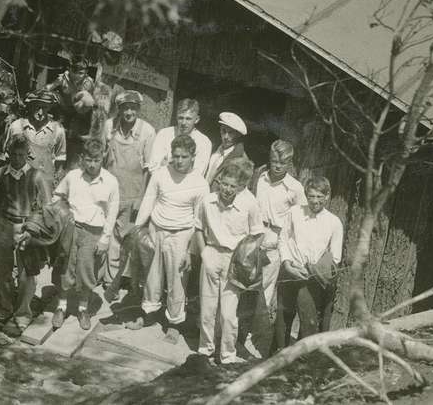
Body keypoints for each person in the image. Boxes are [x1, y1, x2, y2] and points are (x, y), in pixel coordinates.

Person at [129, 134, 210, 342]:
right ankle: (147, 314)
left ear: (193, 156)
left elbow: (199, 221)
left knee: (177, 281)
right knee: (151, 277)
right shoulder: (160, 174)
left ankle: (175, 323)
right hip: (157, 229)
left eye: (184, 156)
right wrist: (138, 229)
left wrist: (190, 251)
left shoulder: (200, 183)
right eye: (176, 156)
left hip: (181, 235)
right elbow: (148, 201)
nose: (179, 161)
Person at [191, 156, 264, 365]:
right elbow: (198, 228)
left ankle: (227, 355)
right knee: (207, 309)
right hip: (212, 253)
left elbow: (258, 234)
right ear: (219, 181)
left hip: (235, 259)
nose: (227, 189)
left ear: (240, 186)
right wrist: (204, 252)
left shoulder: (249, 203)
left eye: (233, 186)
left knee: (228, 314)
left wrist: (245, 259)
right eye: (224, 184)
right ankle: (205, 350)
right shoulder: (208, 201)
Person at [0, 135, 52, 336]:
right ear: (8, 154)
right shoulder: (1, 174)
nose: (16, 159)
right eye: (13, 154)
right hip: (4, 224)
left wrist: (36, 230)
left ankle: (23, 313)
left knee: (27, 273)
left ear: (27, 155)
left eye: (21, 155)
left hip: (26, 227)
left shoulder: (37, 176)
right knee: (2, 269)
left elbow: (46, 208)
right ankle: (4, 308)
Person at [51, 138, 119, 331]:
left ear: (102, 158)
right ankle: (61, 307)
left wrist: (105, 238)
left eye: (96, 160)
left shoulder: (111, 182)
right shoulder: (73, 176)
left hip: (94, 232)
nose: (91, 164)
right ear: (82, 158)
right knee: (67, 267)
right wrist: (64, 214)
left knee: (87, 271)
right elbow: (57, 196)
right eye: (88, 160)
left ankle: (83, 309)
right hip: (72, 228)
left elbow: (112, 213)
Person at [98, 89, 156, 300]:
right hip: (110, 190)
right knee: (107, 233)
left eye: (133, 108)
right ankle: (106, 280)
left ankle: (122, 281)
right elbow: (101, 157)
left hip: (133, 192)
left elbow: (150, 169)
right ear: (119, 109)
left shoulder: (148, 132)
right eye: (124, 108)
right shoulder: (109, 126)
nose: (129, 112)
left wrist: (143, 200)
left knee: (125, 237)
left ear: (138, 109)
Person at [276, 176, 343, 348]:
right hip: (290, 270)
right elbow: (283, 239)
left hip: (311, 276)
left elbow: (335, 257)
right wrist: (286, 263)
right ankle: (278, 357)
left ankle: (303, 363)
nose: (315, 201)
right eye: (311, 196)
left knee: (309, 322)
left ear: (327, 196)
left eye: (319, 197)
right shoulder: (295, 212)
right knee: (284, 317)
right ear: (306, 195)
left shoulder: (334, 222)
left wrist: (316, 270)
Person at [252, 140, 306, 352]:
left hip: (274, 239)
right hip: (254, 234)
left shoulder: (295, 188)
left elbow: (299, 222)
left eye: (282, 162)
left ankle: (256, 336)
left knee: (264, 292)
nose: (277, 166)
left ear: (290, 163)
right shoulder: (261, 177)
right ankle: (237, 331)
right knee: (245, 284)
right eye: (274, 161)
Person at [5, 90, 67, 186]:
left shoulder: (58, 130)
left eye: (45, 107)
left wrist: (55, 181)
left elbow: (60, 159)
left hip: (43, 184)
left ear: (50, 107)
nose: (40, 112)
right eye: (37, 107)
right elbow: (7, 154)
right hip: (17, 183)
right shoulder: (17, 126)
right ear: (30, 106)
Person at [46, 55, 97, 167]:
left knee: (74, 138)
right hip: (64, 109)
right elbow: (48, 88)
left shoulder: (88, 83)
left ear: (86, 72)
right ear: (69, 69)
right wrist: (53, 87)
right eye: (74, 71)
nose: (77, 75)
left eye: (81, 72)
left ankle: (70, 160)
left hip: (80, 114)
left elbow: (85, 102)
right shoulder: (63, 78)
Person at [149, 99, 213, 175]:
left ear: (196, 119)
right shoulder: (164, 134)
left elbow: (197, 174)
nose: (183, 123)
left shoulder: (204, 142)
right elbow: (153, 167)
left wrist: (167, 165)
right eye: (181, 118)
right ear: (176, 117)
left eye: (188, 119)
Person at [204, 112, 249, 184]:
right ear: (220, 130)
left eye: (231, 133)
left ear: (237, 135)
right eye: (224, 131)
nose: (226, 137)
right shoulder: (213, 148)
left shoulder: (240, 159)